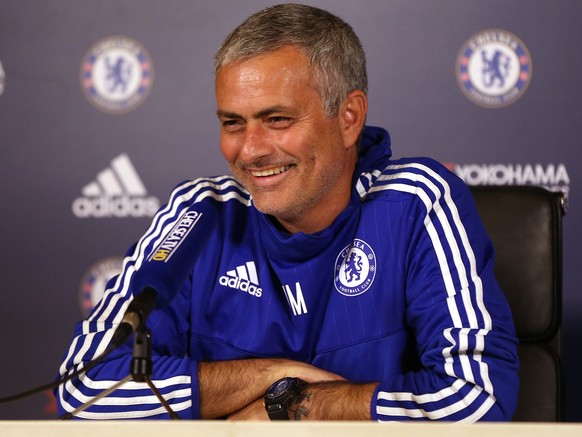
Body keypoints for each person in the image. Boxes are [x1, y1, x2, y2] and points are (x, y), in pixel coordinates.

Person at [56, 3, 519, 421]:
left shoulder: (416, 203)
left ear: (349, 118)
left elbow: (477, 398)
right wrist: (273, 375)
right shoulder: (201, 212)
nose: (251, 150)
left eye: (277, 119)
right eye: (233, 123)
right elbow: (84, 387)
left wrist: (292, 407)